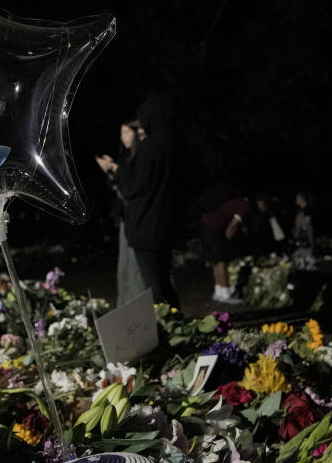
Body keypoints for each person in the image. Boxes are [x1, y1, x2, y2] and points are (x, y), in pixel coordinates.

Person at [119, 94, 184, 308]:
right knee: (165, 280)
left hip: (145, 224)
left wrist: (120, 173)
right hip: (168, 222)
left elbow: (134, 187)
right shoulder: (176, 143)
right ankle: (178, 321)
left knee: (154, 285)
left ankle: (168, 328)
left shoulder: (150, 147)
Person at [95, 120, 146, 307]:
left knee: (136, 265)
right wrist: (110, 172)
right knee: (126, 263)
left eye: (126, 132)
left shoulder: (143, 157)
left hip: (138, 219)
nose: (122, 137)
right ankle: (128, 302)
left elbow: (133, 186)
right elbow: (121, 189)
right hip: (127, 217)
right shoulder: (129, 157)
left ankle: (139, 301)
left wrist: (115, 168)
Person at [197, 184, 250, 304]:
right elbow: (232, 225)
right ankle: (225, 293)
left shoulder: (232, 199)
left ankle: (218, 291)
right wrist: (226, 240)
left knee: (215, 260)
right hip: (214, 226)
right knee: (222, 260)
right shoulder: (245, 205)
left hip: (204, 224)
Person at [293, 191, 314, 256]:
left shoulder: (307, 209)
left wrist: (299, 229)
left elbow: (306, 223)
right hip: (300, 237)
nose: (296, 200)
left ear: (303, 199)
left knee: (306, 254)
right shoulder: (300, 210)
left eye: (297, 198)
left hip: (305, 238)